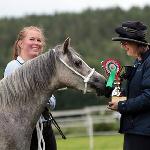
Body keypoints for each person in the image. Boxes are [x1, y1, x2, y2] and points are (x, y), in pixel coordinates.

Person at [4, 26, 57, 150]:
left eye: (39, 40)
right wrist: (43, 95)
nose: (36, 43)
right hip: (23, 133)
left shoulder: (44, 70)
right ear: (21, 43)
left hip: (45, 128)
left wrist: (40, 96)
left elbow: (52, 103)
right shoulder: (13, 67)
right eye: (32, 39)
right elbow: (20, 100)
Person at [108, 21, 150, 150]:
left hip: (145, 133)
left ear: (137, 43)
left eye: (125, 43)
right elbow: (133, 93)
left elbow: (148, 97)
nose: (123, 46)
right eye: (122, 43)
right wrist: (111, 89)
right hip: (135, 129)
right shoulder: (139, 62)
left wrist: (121, 105)